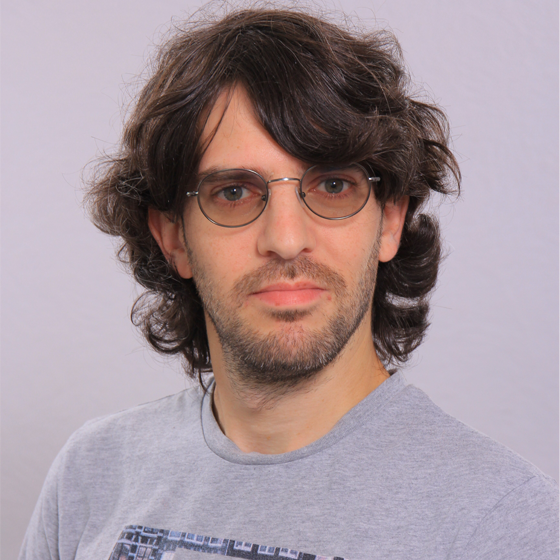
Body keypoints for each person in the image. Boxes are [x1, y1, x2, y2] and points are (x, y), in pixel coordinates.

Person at [19, 7, 560, 560]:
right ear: (174, 237)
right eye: (234, 192)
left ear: (390, 221)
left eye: (333, 185)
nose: (285, 238)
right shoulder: (91, 475)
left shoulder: (504, 520)